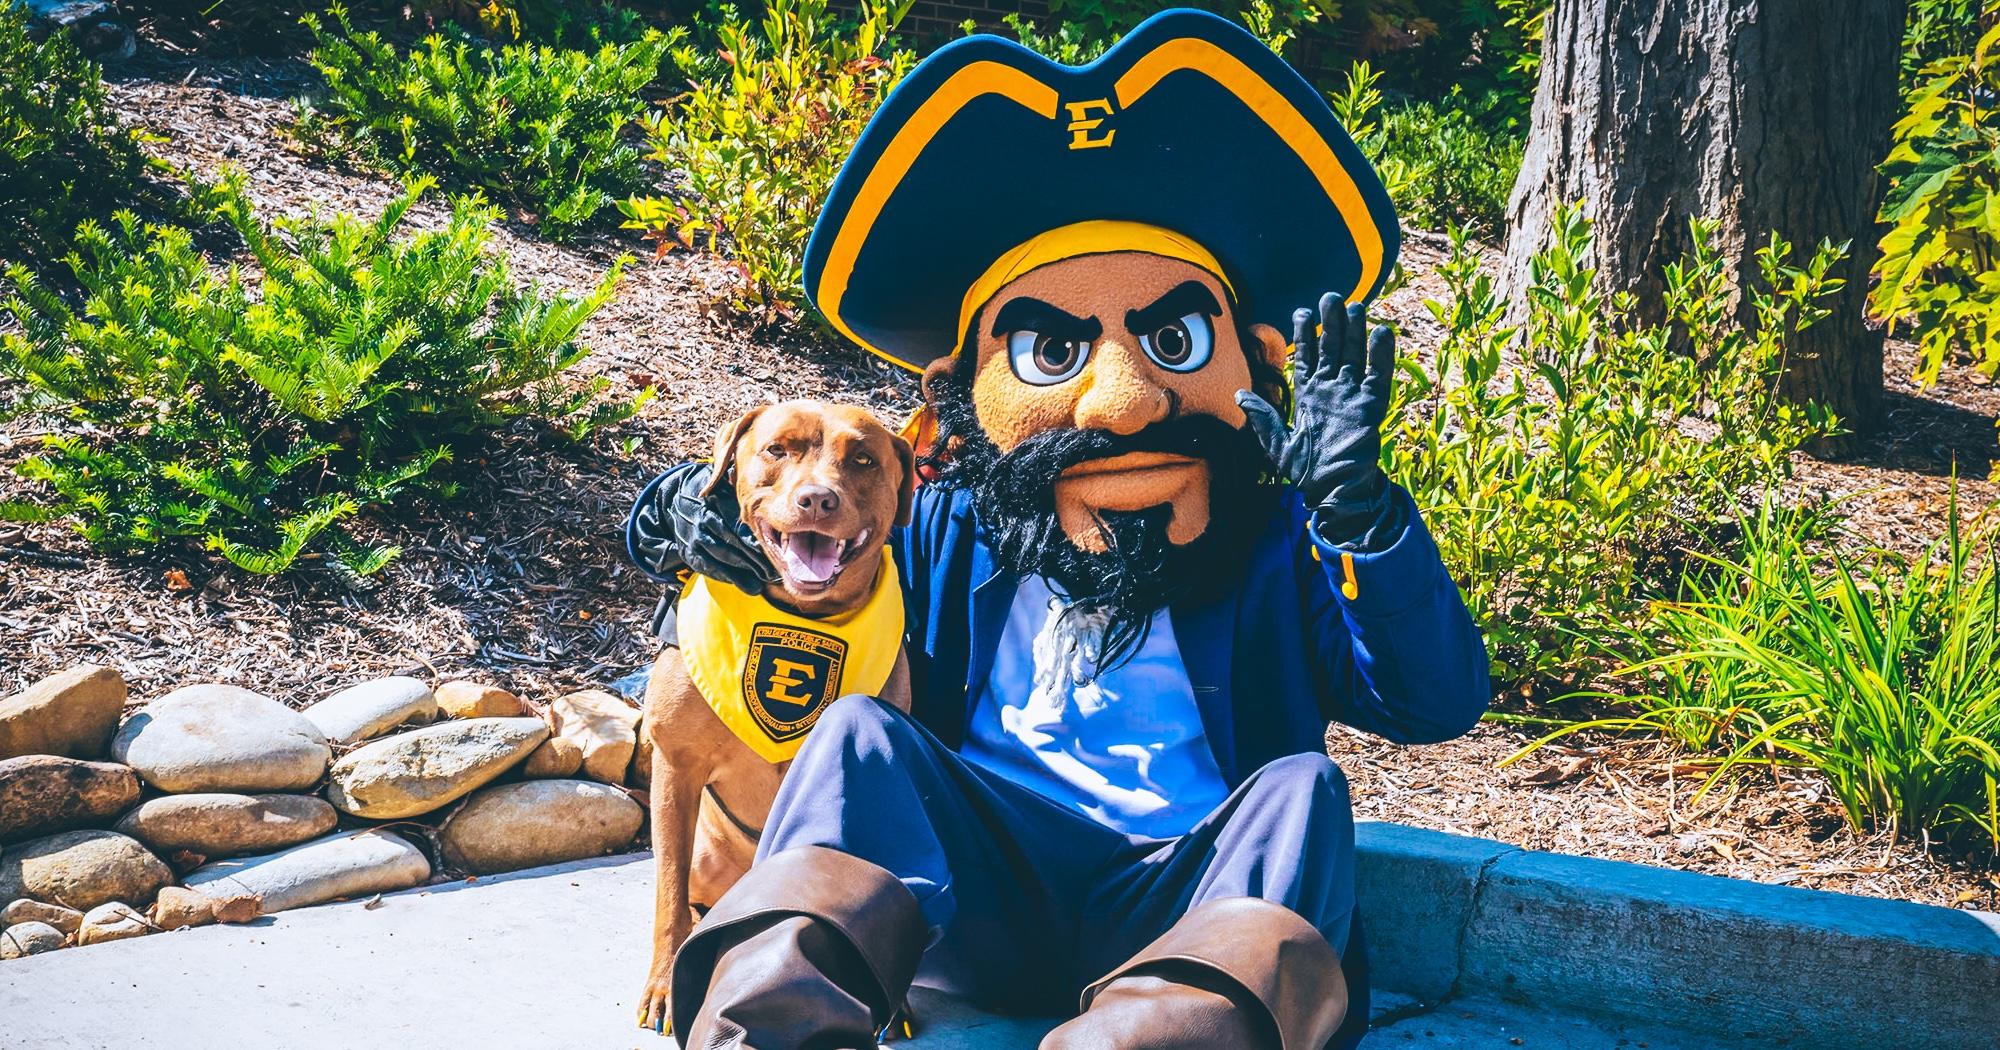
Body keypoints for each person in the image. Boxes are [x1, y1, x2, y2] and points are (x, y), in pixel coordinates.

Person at [627, 10, 1490, 1047]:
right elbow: (813, 524)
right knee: (861, 738)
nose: (1119, 403)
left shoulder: (1279, 539)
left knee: (1302, 787)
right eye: (1051, 352)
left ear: (1255, 363)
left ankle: (1151, 1036)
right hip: (974, 891)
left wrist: (1358, 511)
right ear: (960, 393)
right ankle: (767, 1029)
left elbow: (1432, 704)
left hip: (1189, 909)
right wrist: (678, 508)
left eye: (1172, 340)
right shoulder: (948, 522)